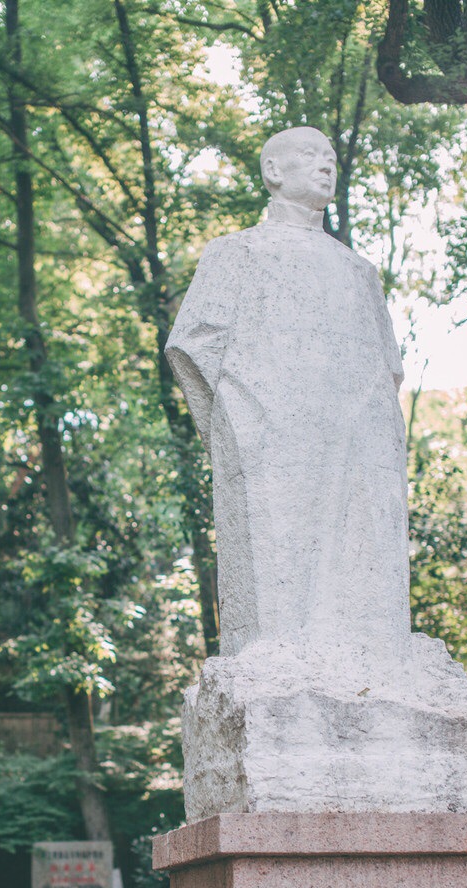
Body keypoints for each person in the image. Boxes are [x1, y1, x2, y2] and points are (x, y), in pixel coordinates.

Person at [166, 126, 409, 662]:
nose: (326, 165)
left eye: (331, 157)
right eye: (310, 155)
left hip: (359, 442)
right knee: (278, 577)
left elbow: (388, 368)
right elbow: (192, 345)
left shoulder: (358, 271)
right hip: (270, 441)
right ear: (274, 172)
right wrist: (236, 424)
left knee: (361, 557)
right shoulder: (235, 253)